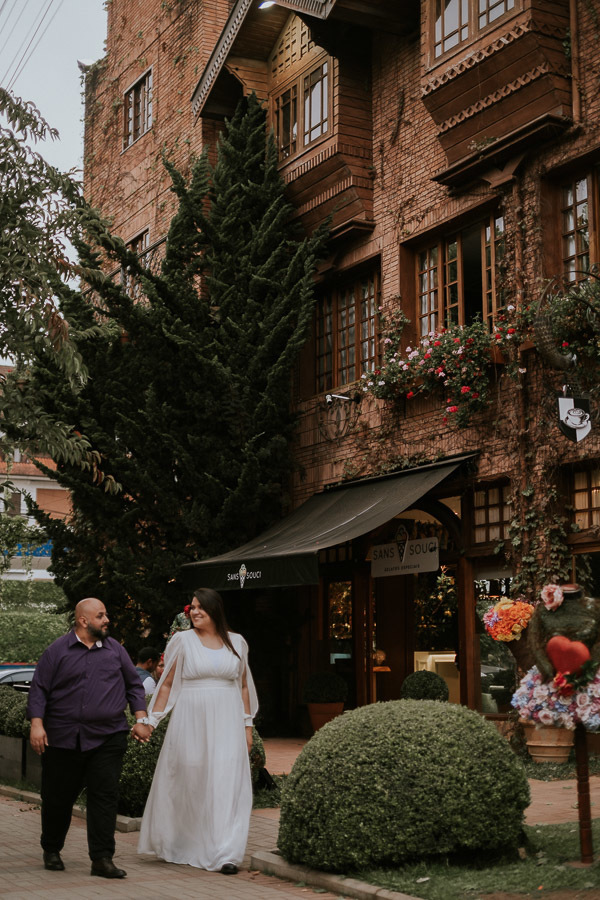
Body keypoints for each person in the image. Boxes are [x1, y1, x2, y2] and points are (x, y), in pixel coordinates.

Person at [26, 598, 153, 879]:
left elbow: (134, 685)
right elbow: (39, 690)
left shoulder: (115, 650)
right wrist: (37, 725)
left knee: (104, 797)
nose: (107, 620)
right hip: (63, 739)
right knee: (58, 799)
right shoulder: (56, 651)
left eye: (106, 614)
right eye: (101, 615)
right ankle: (51, 848)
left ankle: (102, 859)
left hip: (108, 737)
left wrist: (141, 719)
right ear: (83, 621)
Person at [138, 588, 258, 874]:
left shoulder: (238, 643)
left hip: (228, 722)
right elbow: (166, 684)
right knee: (191, 782)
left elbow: (243, 686)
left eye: (200, 608)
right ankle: (185, 842)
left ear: (215, 610)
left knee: (227, 782)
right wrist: (152, 721)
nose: (194, 612)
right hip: (190, 722)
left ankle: (227, 853)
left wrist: (248, 725)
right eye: (192, 607)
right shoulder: (182, 641)